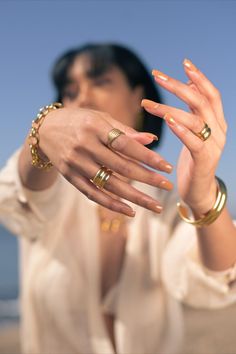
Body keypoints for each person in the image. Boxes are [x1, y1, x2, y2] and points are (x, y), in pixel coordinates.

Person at [0, 42, 236, 354]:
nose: (82, 98)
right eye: (69, 92)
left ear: (138, 97)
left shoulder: (164, 203)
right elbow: (17, 199)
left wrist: (203, 196)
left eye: (100, 82)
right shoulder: (51, 183)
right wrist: (41, 134)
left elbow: (211, 282)